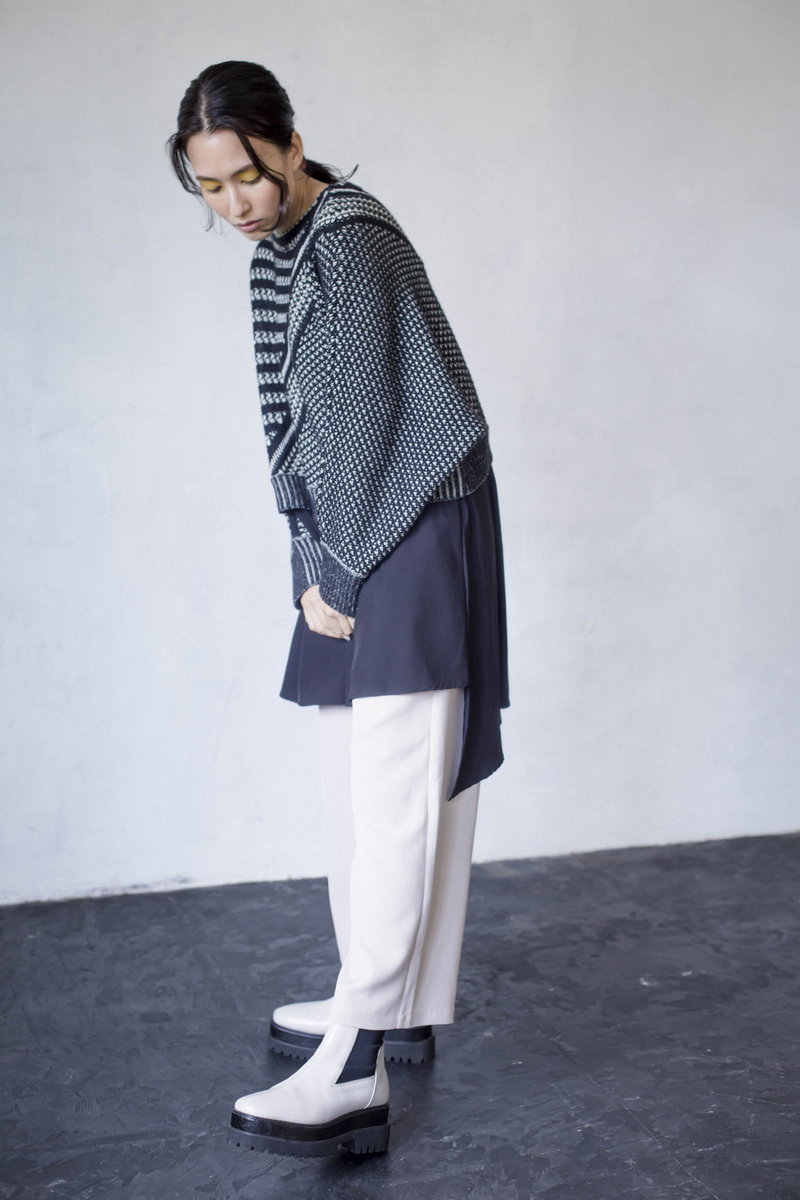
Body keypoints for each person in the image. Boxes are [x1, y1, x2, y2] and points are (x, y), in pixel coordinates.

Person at [168, 60, 509, 1158]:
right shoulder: (282, 248)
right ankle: (384, 995)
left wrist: (335, 575)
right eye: (211, 189)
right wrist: (310, 562)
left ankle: (357, 1065)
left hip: (407, 512)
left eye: (248, 176)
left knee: (398, 790)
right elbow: (297, 425)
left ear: (290, 142)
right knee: (353, 785)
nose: (236, 205)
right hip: (357, 523)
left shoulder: (347, 242)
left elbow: (361, 426)